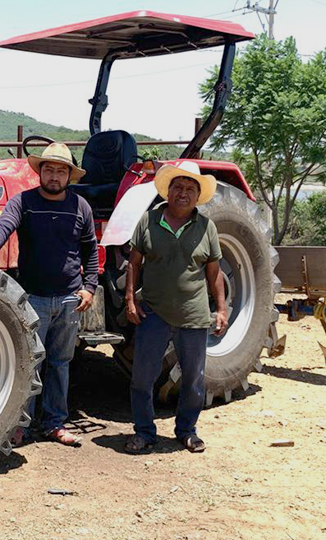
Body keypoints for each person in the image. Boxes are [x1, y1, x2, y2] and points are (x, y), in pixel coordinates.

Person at [0, 142, 98, 447]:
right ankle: (19, 424)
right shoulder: (23, 202)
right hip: (33, 298)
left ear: (69, 176)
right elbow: (4, 227)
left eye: (61, 171)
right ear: (40, 172)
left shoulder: (81, 207)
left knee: (60, 362)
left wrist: (89, 287)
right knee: (28, 362)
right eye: (49, 169)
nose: (54, 176)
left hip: (68, 299)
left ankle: (54, 423)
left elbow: (91, 249)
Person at [123, 161, 228, 454]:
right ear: (168, 192)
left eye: (190, 189)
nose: (183, 193)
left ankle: (187, 431)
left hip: (193, 316)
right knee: (142, 377)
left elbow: (214, 272)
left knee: (193, 378)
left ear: (198, 195)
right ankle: (144, 432)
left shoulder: (207, 227)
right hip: (153, 313)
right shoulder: (148, 221)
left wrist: (221, 309)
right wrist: (130, 299)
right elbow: (133, 262)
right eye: (178, 187)